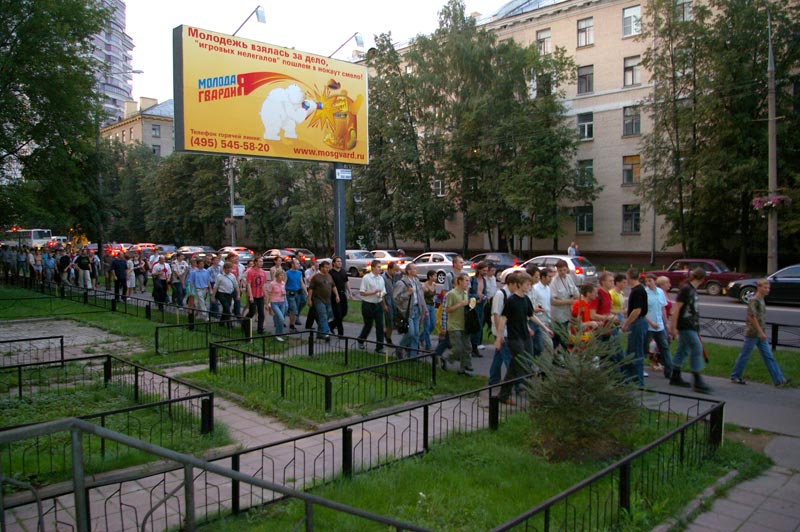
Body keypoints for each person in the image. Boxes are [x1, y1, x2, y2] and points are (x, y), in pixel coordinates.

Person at [730, 279, 790, 387]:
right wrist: (761, 332)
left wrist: (761, 333)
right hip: (753, 333)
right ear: (758, 287)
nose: (767, 290)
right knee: (745, 355)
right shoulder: (754, 300)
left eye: (768, 288)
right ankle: (735, 375)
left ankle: (779, 380)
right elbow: (751, 317)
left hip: (760, 334)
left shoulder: (761, 299)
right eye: (765, 288)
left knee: (768, 356)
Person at [495, 271, 535, 406]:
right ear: (520, 284)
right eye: (527, 284)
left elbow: (528, 316)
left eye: (530, 284)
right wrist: (499, 337)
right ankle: (530, 388)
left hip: (525, 335)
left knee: (515, 365)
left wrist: (543, 328)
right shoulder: (511, 300)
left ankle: (503, 394)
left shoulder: (526, 299)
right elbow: (503, 319)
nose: (529, 287)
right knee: (522, 363)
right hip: (514, 337)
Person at [670, 267, 711, 393]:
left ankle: (675, 375)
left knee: (683, 349)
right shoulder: (686, 289)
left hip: (692, 325)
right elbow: (676, 309)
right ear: (703, 279)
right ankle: (697, 379)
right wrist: (673, 327)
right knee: (697, 347)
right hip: (685, 325)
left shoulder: (692, 289)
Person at [393, 263, 428, 358]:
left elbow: (421, 296)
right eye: (414, 269)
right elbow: (396, 298)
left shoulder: (416, 281)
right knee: (411, 333)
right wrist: (407, 294)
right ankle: (400, 347)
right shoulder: (401, 283)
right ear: (408, 271)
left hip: (417, 309)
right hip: (408, 311)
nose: (416, 270)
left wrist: (425, 309)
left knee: (416, 334)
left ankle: (413, 356)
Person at [644, 274, 675, 379]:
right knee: (645, 346)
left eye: (650, 281)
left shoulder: (660, 292)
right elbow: (643, 311)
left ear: (654, 281)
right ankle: (638, 367)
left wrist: (666, 323)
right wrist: (651, 323)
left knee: (664, 347)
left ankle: (669, 370)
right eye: (646, 281)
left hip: (660, 326)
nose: (648, 283)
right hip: (649, 326)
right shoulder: (645, 293)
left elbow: (662, 309)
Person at [621, 268, 648, 386]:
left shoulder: (637, 291)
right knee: (631, 350)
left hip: (637, 323)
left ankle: (638, 381)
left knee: (636, 352)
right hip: (639, 322)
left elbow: (637, 310)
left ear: (629, 277)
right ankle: (628, 378)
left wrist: (626, 323)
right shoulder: (639, 289)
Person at [443, 273, 473, 374]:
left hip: (465, 324)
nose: (468, 283)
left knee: (467, 347)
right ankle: (446, 358)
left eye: (468, 281)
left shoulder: (465, 293)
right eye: (466, 280)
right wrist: (460, 304)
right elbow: (447, 309)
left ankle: (464, 368)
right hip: (454, 325)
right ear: (459, 281)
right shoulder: (452, 294)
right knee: (458, 348)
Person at [357, 259, 386, 353]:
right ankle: (361, 339)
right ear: (373, 268)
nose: (380, 269)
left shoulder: (381, 278)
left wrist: (381, 296)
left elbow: (383, 292)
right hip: (368, 304)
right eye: (378, 267)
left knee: (380, 325)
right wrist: (373, 292)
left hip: (378, 304)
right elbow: (362, 293)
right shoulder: (366, 278)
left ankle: (379, 347)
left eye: (380, 267)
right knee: (368, 325)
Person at [550, 259, 578, 349]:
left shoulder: (569, 278)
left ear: (567, 269)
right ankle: (564, 353)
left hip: (568, 313)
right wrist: (568, 301)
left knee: (558, 337)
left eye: (564, 270)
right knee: (564, 337)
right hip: (558, 315)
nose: (562, 272)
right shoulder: (554, 281)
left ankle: (556, 353)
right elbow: (553, 301)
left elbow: (575, 292)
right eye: (560, 270)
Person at [307, 259, 337, 342]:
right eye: (326, 267)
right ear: (321, 268)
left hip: (328, 300)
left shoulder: (329, 276)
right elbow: (311, 289)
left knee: (327, 316)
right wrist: (309, 300)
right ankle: (326, 333)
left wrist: (337, 295)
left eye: (328, 267)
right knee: (323, 315)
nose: (328, 269)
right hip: (318, 300)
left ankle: (319, 334)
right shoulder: (316, 277)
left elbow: (333, 286)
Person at [468, 261, 489, 358]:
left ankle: (475, 346)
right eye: (484, 270)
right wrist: (477, 296)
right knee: (474, 326)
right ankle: (473, 347)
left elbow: (484, 292)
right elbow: (468, 293)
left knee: (480, 326)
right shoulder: (472, 279)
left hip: (481, 305)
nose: (485, 272)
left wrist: (484, 297)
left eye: (486, 270)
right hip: (473, 305)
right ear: (479, 270)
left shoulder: (484, 280)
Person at [329, 256, 353, 336]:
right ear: (334, 263)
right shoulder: (331, 273)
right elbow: (331, 285)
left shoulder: (343, 271)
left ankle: (331, 325)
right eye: (338, 261)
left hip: (343, 294)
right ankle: (340, 333)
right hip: (334, 295)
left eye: (340, 261)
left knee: (344, 312)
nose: (340, 263)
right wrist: (336, 295)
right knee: (338, 314)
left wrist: (350, 292)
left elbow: (346, 281)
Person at [246, 256, 268, 335]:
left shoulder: (263, 272)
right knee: (252, 312)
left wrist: (265, 295)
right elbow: (248, 284)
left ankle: (260, 329)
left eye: (262, 261)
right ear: (255, 262)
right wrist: (251, 296)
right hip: (253, 295)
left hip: (260, 295)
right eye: (259, 261)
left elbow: (263, 285)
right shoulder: (250, 272)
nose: (261, 263)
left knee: (261, 312)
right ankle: (245, 323)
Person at [266, 268, 288, 341]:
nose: (282, 277)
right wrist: (267, 303)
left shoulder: (283, 283)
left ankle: (279, 333)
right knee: (281, 318)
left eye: (283, 275)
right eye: (280, 275)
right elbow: (268, 293)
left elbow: (284, 292)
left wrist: (284, 293)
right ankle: (277, 334)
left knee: (281, 319)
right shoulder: (272, 283)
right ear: (277, 276)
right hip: (274, 303)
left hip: (282, 302)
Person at [286, 258, 306, 332]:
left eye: (299, 263)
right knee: (293, 310)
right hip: (290, 294)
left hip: (298, 293)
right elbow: (284, 283)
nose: (299, 265)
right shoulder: (287, 273)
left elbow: (302, 283)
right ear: (292, 264)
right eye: (297, 263)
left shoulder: (299, 273)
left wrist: (306, 292)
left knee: (302, 303)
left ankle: (292, 322)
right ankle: (292, 326)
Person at [382, 262, 399, 345]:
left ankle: (387, 334)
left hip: (394, 301)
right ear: (389, 269)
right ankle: (388, 339)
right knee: (389, 322)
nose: (395, 272)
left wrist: (398, 267)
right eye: (394, 270)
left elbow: (405, 272)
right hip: (387, 301)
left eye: (396, 270)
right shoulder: (383, 278)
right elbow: (381, 293)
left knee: (394, 321)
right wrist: (384, 304)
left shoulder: (394, 276)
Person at [421, 270, 437, 350]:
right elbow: (422, 298)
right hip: (426, 306)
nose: (436, 277)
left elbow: (434, 296)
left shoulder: (434, 285)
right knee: (427, 326)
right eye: (434, 276)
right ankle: (428, 345)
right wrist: (425, 309)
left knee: (433, 325)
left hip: (432, 306)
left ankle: (421, 337)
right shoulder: (424, 286)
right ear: (430, 277)